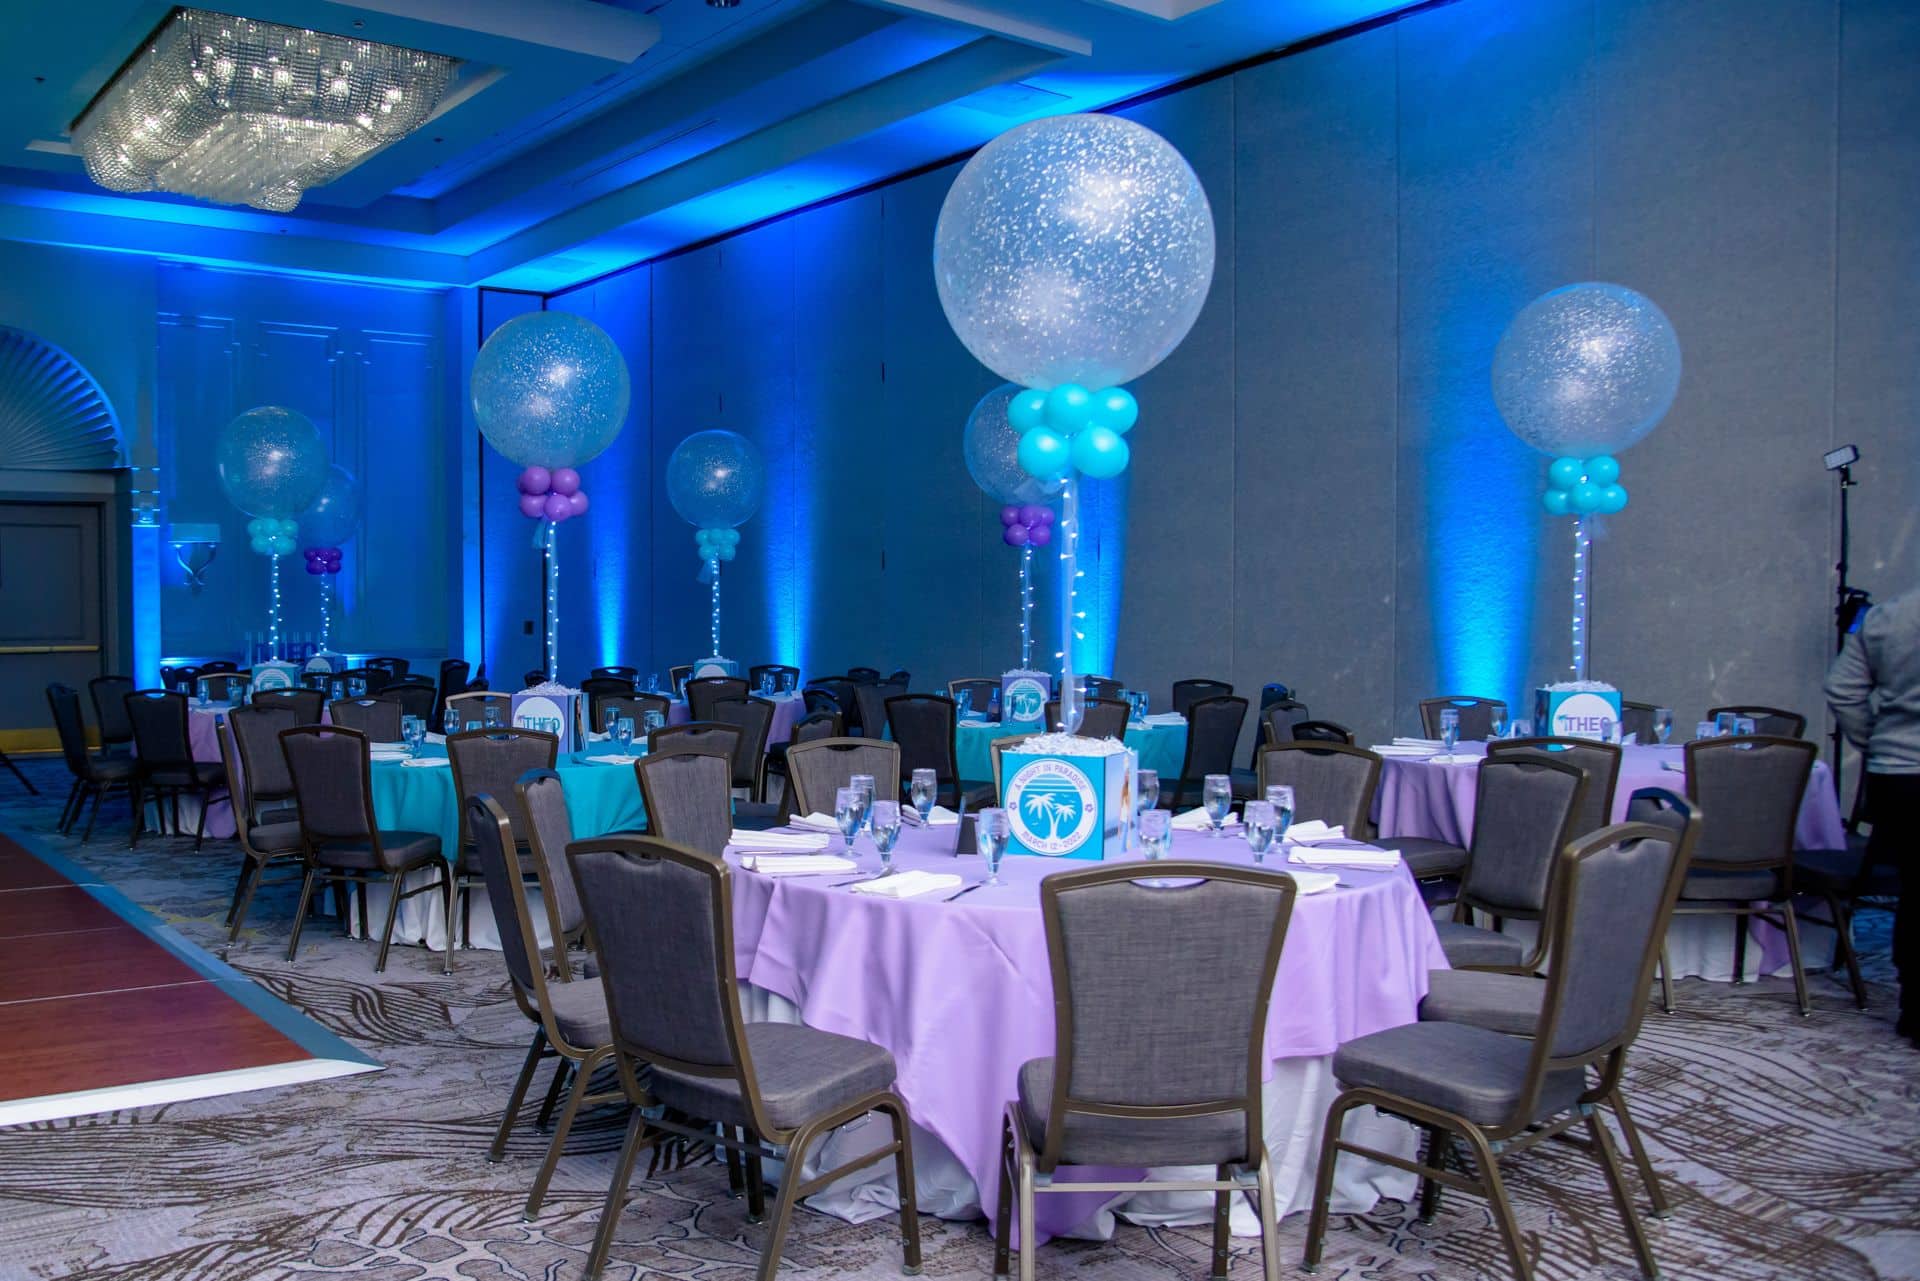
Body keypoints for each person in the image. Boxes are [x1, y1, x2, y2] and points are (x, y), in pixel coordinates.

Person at [1825, 586, 1919, 1044]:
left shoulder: (1889, 617)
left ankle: (1915, 1009)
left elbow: (1841, 689)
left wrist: (1876, 742)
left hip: (1899, 774)